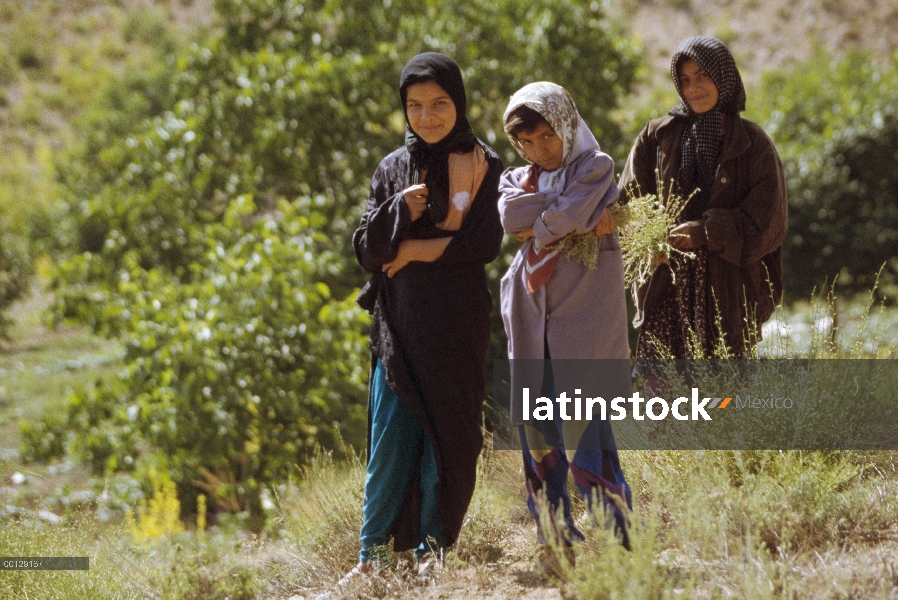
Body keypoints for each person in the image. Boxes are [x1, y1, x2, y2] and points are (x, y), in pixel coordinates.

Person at [347, 53, 504, 582]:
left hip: (456, 327)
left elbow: (484, 242)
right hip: (398, 328)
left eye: (439, 103)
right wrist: (399, 213)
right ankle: (371, 560)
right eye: (415, 106)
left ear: (458, 103)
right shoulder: (392, 168)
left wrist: (412, 252)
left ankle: (432, 558)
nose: (428, 116)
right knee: (390, 440)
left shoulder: (484, 163)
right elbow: (366, 251)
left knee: (450, 438)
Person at [498, 82, 632, 570]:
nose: (538, 151)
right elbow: (513, 216)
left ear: (566, 124)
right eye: (526, 143)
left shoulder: (596, 167)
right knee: (537, 435)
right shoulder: (515, 178)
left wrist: (547, 222)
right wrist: (570, 217)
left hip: (584, 325)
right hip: (531, 323)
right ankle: (555, 546)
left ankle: (621, 549)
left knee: (586, 435)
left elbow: (563, 212)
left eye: (546, 138)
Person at [619, 36, 788, 361]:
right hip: (666, 292)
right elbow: (627, 205)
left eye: (702, 76)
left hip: (728, 299)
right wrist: (648, 247)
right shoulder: (657, 137)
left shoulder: (753, 144)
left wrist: (706, 231)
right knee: (663, 400)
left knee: (722, 401)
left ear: (723, 77)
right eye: (684, 80)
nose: (693, 88)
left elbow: (767, 225)